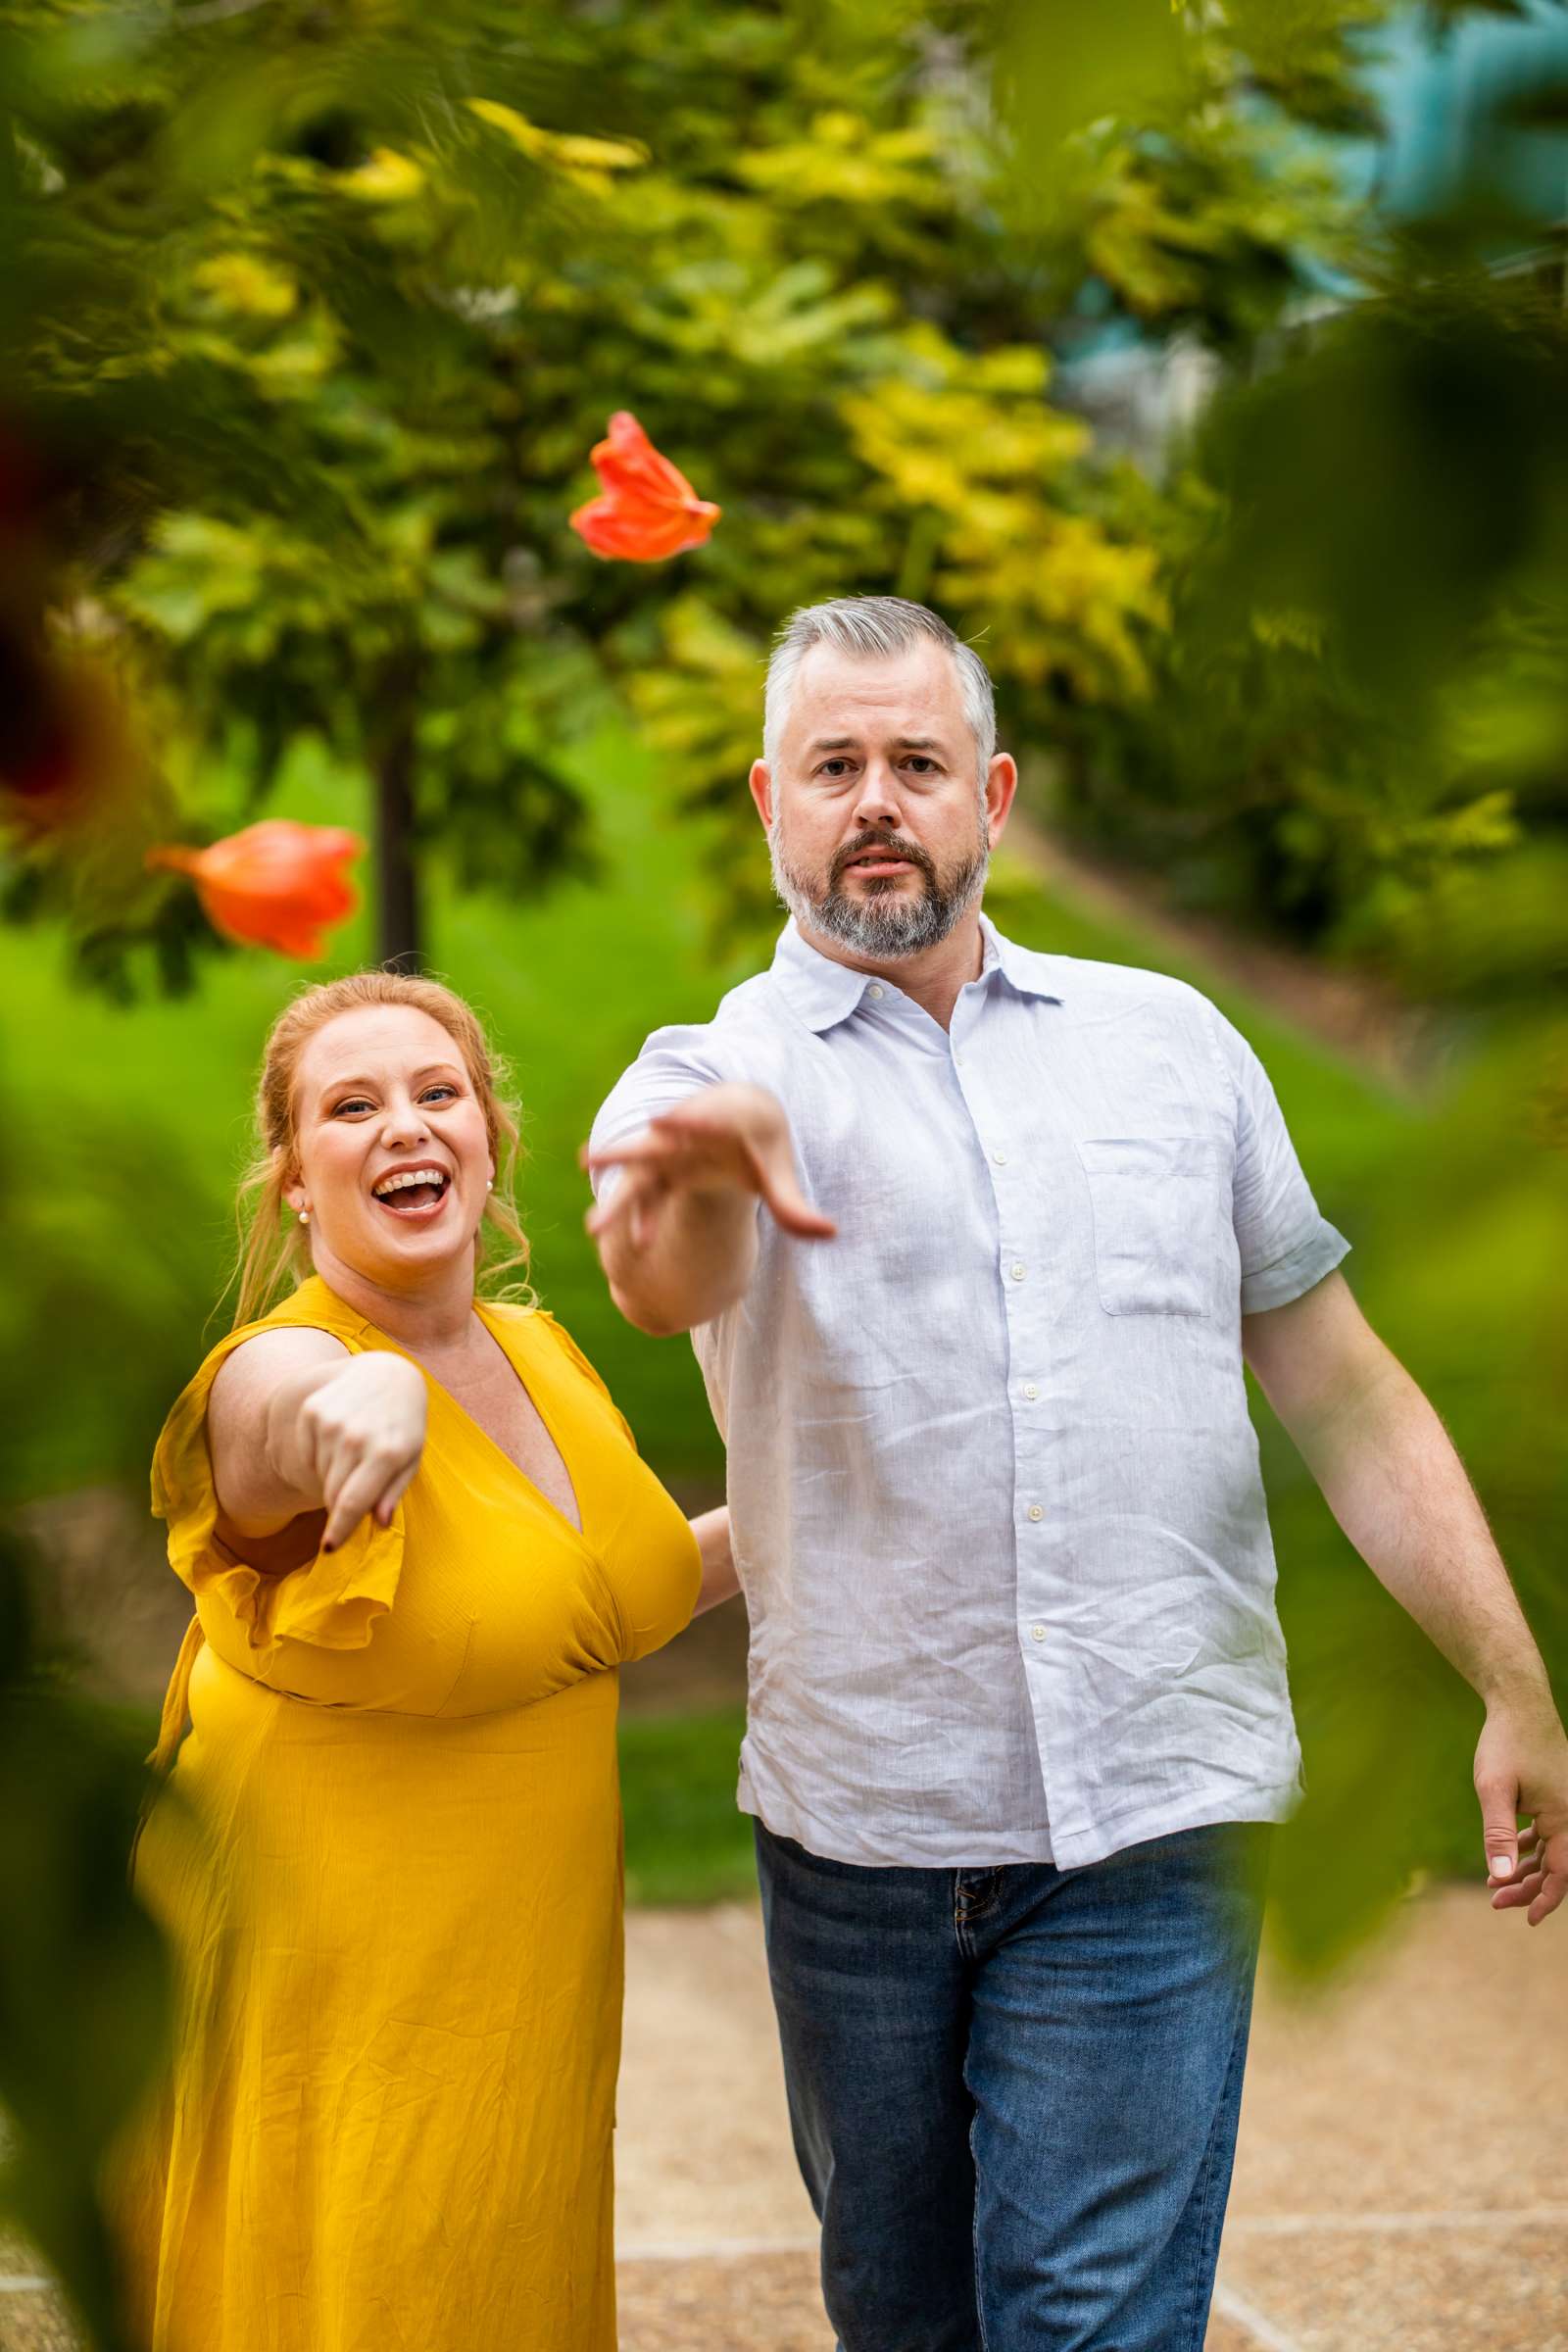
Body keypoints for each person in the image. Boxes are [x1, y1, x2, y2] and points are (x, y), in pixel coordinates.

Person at [585, 596, 1568, 2352]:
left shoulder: (1173, 1046)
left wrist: (1509, 1678)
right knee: (909, 2321)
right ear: (767, 804)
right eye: (833, 766)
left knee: (1088, 2324)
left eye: (916, 762)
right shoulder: (710, 1076)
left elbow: (1342, 1386)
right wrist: (701, 1174)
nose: (875, 799)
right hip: (862, 1833)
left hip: (1153, 1814)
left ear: (996, 794)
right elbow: (659, 1271)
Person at [120, 970, 734, 2352]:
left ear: (488, 1136)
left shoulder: (539, 1351)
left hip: (522, 2005)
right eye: (352, 1107)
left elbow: (587, 1607)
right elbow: (275, 1428)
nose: (404, 1126)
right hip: (342, 2009)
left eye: (435, 1092)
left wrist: (814, 1505)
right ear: (291, 1180)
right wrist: (370, 1391)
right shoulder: (269, 1377)